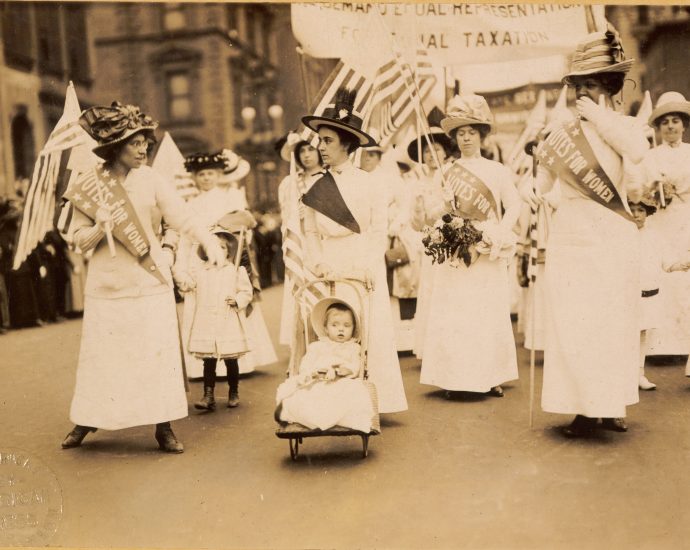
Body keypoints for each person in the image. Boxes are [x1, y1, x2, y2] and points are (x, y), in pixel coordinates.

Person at [60, 102, 225, 453]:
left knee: (156, 355)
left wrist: (209, 241)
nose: (143, 149)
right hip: (107, 285)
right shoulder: (90, 184)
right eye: (135, 143)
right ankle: (87, 418)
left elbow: (181, 217)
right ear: (116, 146)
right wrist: (98, 226)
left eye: (145, 143)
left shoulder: (151, 179)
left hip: (150, 281)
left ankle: (163, 425)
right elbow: (77, 239)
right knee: (103, 357)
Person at [521, 29, 649, 437]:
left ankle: (610, 405)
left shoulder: (622, 126)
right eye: (578, 85)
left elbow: (638, 152)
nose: (582, 93)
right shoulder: (562, 134)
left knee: (612, 323)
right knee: (575, 324)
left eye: (590, 85)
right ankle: (580, 407)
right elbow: (539, 181)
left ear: (608, 87)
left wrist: (600, 117)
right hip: (572, 235)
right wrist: (531, 190)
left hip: (611, 235)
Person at [300, 87, 408, 414]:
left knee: (368, 329)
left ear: (347, 144)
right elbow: (310, 231)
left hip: (363, 263)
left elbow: (377, 230)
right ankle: (335, 405)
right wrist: (318, 263)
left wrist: (365, 267)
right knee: (332, 330)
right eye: (319, 141)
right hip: (328, 264)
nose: (321, 147)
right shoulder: (314, 186)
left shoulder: (371, 183)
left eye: (328, 140)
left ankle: (373, 402)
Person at [416, 93, 520, 397]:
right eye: (460, 133)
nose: (466, 138)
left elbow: (514, 206)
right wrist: (444, 206)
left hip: (486, 251)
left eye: (472, 132)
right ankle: (454, 378)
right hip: (455, 254)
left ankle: (492, 376)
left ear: (482, 135)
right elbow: (433, 215)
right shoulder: (445, 173)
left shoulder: (497, 170)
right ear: (454, 138)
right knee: (456, 314)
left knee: (486, 313)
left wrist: (496, 234)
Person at [173, 150, 277, 380]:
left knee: (227, 302)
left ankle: (238, 360)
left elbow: (244, 229)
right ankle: (203, 364)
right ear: (194, 178)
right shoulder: (190, 204)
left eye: (210, 173)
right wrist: (182, 267)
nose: (206, 178)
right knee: (202, 307)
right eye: (201, 175)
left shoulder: (229, 199)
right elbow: (185, 237)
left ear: (219, 174)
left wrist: (233, 241)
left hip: (225, 255)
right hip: (199, 259)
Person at [640, 92, 690, 365]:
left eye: (675, 121)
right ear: (658, 128)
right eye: (665, 122)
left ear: (683, 125)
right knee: (662, 275)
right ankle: (659, 347)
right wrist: (656, 191)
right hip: (660, 221)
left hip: (686, 220)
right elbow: (642, 190)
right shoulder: (650, 157)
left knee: (685, 277)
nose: (670, 127)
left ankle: (685, 344)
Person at [275, 299, 374, 432]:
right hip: (318, 381)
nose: (341, 329)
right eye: (334, 325)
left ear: (353, 329)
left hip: (341, 381)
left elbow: (356, 365)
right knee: (304, 395)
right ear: (326, 329)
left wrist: (346, 370)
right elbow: (306, 364)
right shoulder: (317, 346)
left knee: (352, 393)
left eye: (346, 326)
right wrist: (312, 372)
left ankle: (329, 418)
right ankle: (305, 414)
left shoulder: (353, 348)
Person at [188, 229, 253, 410]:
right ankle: (208, 395)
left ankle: (233, 391)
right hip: (207, 320)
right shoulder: (201, 271)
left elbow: (246, 291)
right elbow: (190, 283)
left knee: (230, 358)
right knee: (208, 359)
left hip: (227, 318)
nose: (218, 251)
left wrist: (237, 300)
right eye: (214, 247)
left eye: (223, 247)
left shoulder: (235, 270)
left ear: (228, 251)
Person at [630, 194, 690, 390]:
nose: (636, 214)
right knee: (623, 335)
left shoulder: (654, 237)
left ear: (648, 213)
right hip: (625, 296)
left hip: (647, 295)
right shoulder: (620, 236)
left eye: (641, 210)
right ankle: (621, 376)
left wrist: (681, 264)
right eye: (632, 209)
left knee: (641, 334)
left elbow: (668, 263)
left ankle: (638, 375)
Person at [408, 121, 453, 359]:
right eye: (426, 151)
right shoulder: (417, 183)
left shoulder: (453, 174)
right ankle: (433, 350)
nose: (431, 154)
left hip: (454, 240)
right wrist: (417, 206)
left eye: (436, 149)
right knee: (431, 292)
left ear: (445, 152)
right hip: (432, 244)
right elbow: (417, 224)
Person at [277, 134, 324, 346]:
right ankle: (303, 344)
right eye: (301, 151)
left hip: (323, 240)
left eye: (310, 149)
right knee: (301, 289)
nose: (306, 155)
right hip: (300, 242)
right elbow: (285, 216)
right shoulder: (290, 183)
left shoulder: (327, 178)